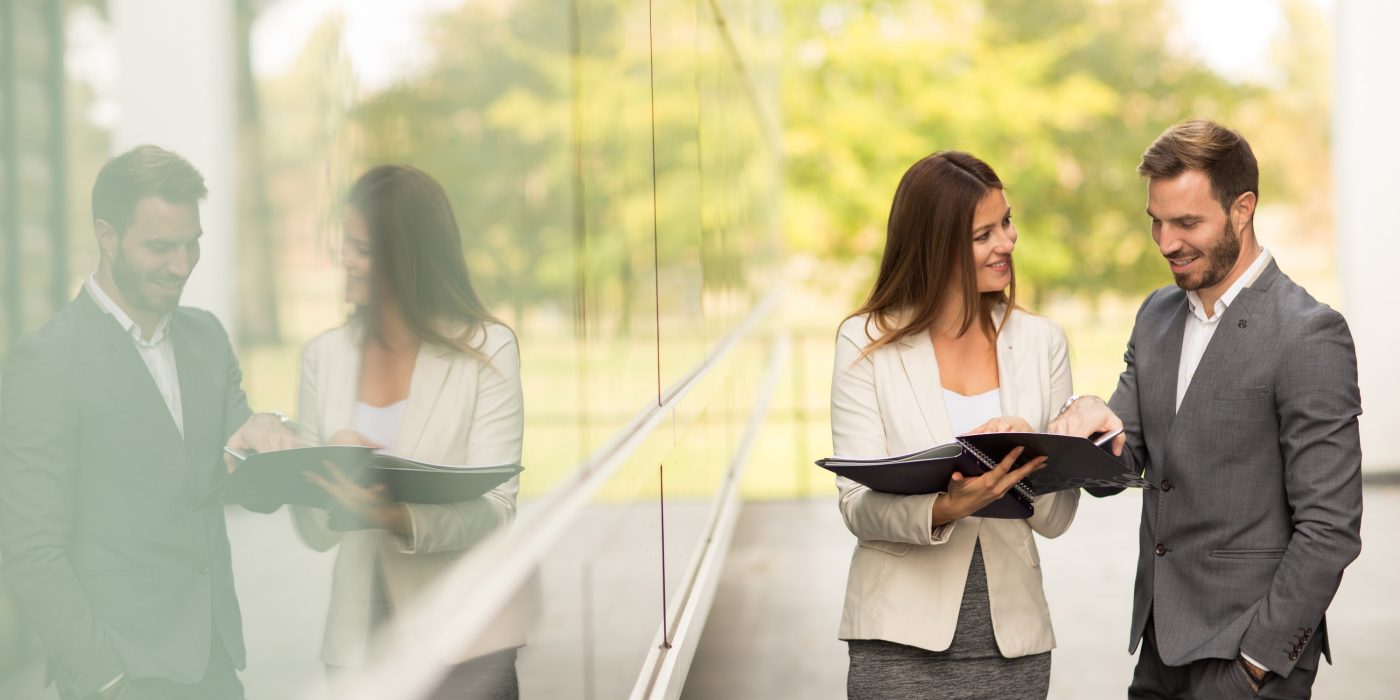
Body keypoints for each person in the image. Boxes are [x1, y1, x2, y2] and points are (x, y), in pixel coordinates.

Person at [1049, 119, 1363, 699]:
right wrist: (1087, 421)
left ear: (1242, 209)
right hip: (1159, 651)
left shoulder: (1308, 333)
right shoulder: (1156, 314)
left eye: (1187, 222)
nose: (1167, 243)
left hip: (1248, 664)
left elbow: (1331, 529)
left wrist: (1256, 665)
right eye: (1157, 223)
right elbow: (1121, 466)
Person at [0, 145, 301, 700]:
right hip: (119, 675)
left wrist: (270, 431)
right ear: (107, 236)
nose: (182, 265)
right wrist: (104, 680)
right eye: (161, 246)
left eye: (193, 244)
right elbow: (29, 549)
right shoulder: (46, 362)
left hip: (216, 665)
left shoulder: (206, 336)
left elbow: (241, 476)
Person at [830, 151, 1080, 699]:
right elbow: (856, 506)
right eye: (983, 234)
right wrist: (947, 507)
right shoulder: (865, 344)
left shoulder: (1043, 344)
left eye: (1007, 223)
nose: (1008, 242)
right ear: (935, 246)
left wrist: (1028, 458)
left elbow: (1057, 519)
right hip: (897, 640)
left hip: (1013, 644)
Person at [289, 165, 526, 698]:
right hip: (357, 644)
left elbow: (497, 509)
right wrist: (321, 476)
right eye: (344, 244)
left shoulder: (488, 351)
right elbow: (313, 529)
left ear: (408, 259)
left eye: (361, 249)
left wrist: (396, 517)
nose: (343, 261)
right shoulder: (324, 357)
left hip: (465, 643)